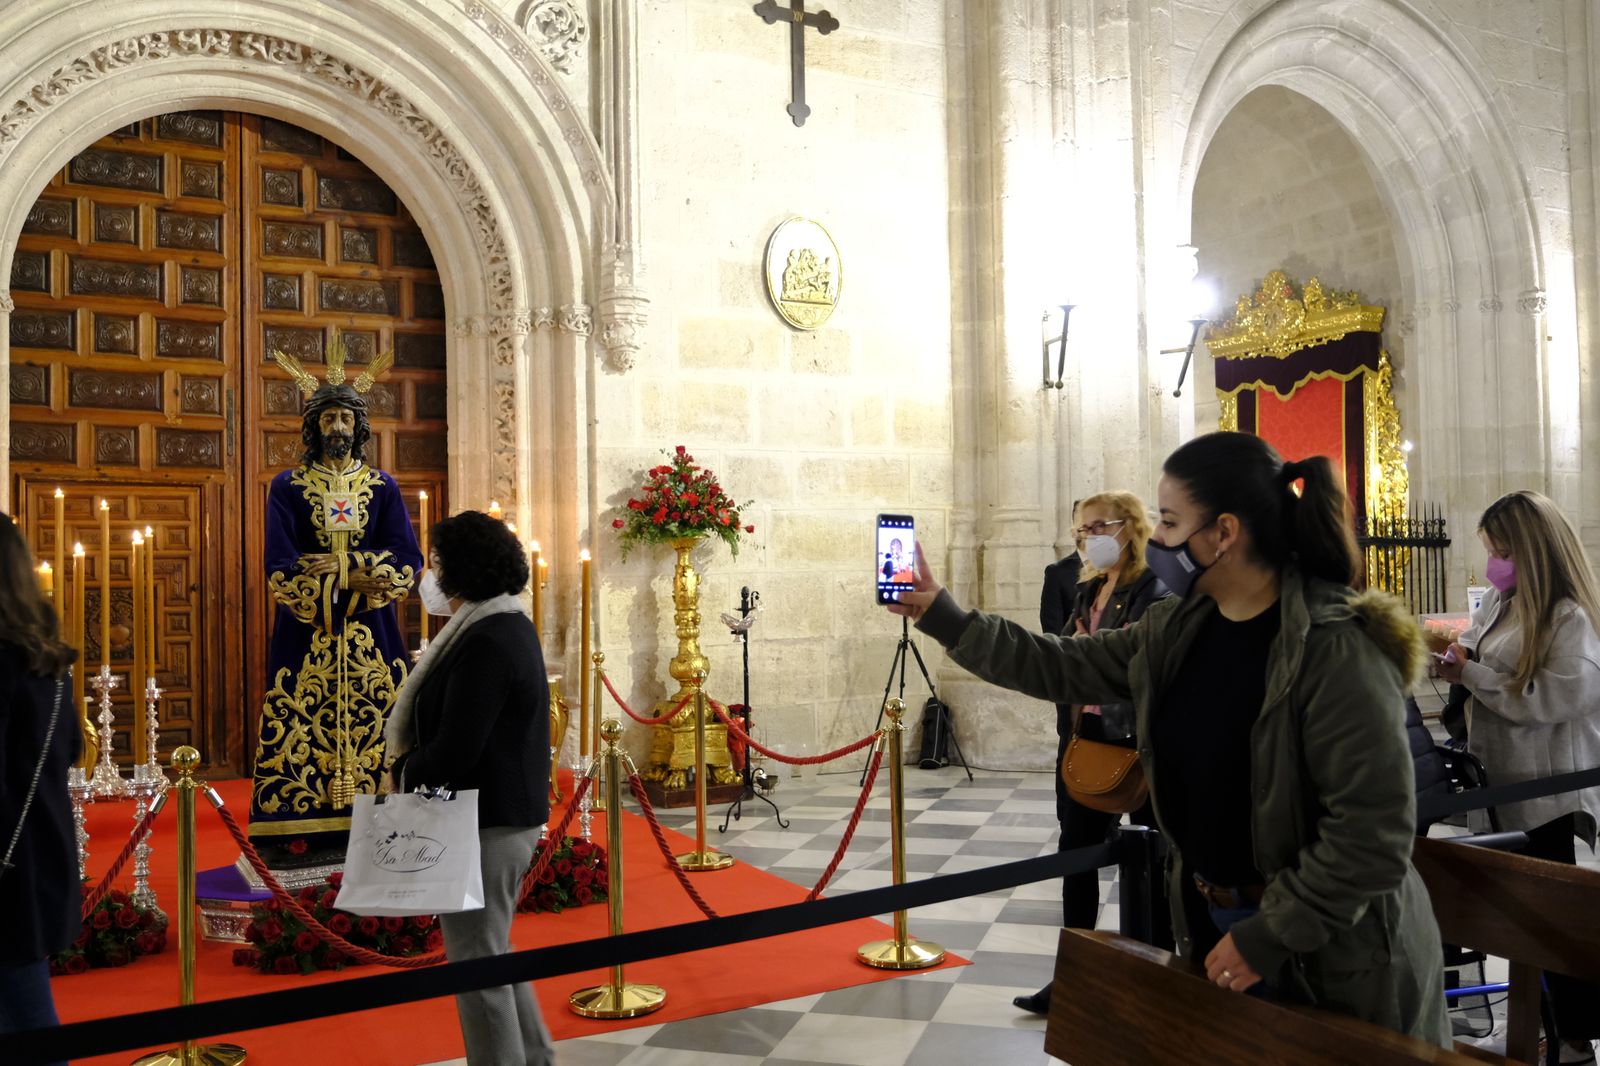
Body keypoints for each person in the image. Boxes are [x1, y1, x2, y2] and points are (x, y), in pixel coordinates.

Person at [891, 432, 1449, 1046]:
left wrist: (1271, 934)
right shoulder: (1176, 628)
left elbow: (1373, 832)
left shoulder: (1335, 647)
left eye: (1171, 521)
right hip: (1212, 914)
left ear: (1224, 533)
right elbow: (1059, 665)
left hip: (1328, 944)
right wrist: (940, 612)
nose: (1157, 538)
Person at [1437, 490, 1600, 1061]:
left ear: (1531, 550)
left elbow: (1551, 699)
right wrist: (1455, 663)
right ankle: (1542, 1023)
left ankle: (1574, 1037)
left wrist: (1473, 673)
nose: (1493, 563)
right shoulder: (1500, 605)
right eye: (1490, 550)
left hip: (1547, 792)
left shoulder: (1568, 618)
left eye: (1502, 550)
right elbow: (1482, 661)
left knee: (1552, 923)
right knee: (1522, 920)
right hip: (1503, 782)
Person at [385, 511, 553, 1066]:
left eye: (436, 564)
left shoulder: (486, 638)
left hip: (488, 823)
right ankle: (535, 1056)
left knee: (477, 967)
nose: (428, 576)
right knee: (494, 954)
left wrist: (405, 771)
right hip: (500, 815)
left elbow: (460, 746)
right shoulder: (504, 624)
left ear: (461, 570)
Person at [249, 339, 422, 866]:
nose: (338, 429)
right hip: (307, 636)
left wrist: (349, 569)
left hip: (372, 636)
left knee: (382, 721)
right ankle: (297, 826)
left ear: (359, 425)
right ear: (313, 426)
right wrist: (339, 586)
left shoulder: (382, 486)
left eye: (346, 418)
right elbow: (280, 565)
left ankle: (387, 817)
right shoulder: (289, 487)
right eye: (328, 419)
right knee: (300, 717)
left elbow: (407, 558)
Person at [1014, 490, 1170, 1016]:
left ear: (1130, 527)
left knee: (1151, 861)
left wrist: (1089, 649)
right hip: (1090, 738)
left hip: (1142, 743)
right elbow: (1064, 656)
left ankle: (1154, 975)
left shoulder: (1155, 587)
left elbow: (1136, 660)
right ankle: (1073, 978)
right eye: (1082, 531)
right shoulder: (1086, 588)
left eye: (1098, 528)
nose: (1089, 540)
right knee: (1076, 858)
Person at [0, 513, 80, 1064]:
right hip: (38, 853)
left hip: (6, 870)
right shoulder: (45, 658)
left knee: (28, 1024)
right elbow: (72, 749)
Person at [1039, 499, 1084, 637]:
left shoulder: (1114, 569)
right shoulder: (1057, 573)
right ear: (1074, 531)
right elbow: (1053, 632)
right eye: (1083, 525)